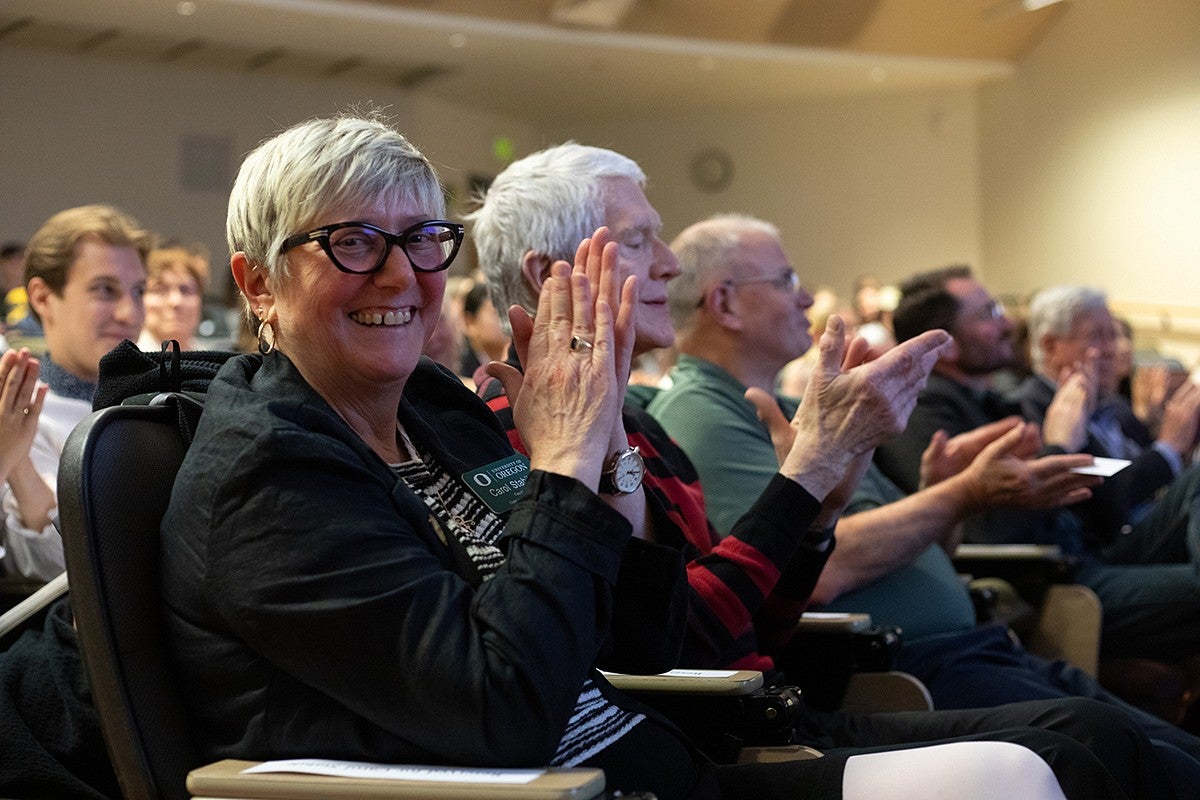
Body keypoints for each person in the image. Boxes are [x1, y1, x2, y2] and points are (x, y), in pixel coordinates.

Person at [156, 113, 1155, 800]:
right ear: (256, 281)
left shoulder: (435, 412)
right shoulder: (268, 472)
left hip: (656, 752)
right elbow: (502, 708)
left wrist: (614, 461)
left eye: (422, 239)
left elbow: (639, 637)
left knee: (1067, 752)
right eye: (352, 242)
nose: (403, 274)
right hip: (572, 783)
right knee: (1028, 770)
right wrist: (563, 464)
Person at [466, 143, 1182, 799]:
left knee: (1098, 737)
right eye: (636, 240)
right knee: (1073, 753)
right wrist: (804, 479)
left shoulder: (643, 428)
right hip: (717, 747)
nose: (668, 264)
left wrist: (817, 517)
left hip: (780, 709)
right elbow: (682, 646)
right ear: (547, 275)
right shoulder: (510, 438)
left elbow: (755, 630)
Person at [640, 214, 1200, 783]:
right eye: (786, 280)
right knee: (1128, 751)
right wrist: (961, 494)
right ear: (726, 304)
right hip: (903, 666)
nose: (806, 297)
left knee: (1176, 755)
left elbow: (895, 540)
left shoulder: (781, 408)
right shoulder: (703, 415)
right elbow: (822, 569)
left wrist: (942, 495)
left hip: (970, 642)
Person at [875, 269, 1200, 669]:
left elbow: (1104, 505)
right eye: (988, 313)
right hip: (1048, 580)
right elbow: (987, 530)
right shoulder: (924, 413)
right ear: (947, 347)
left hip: (1086, 555)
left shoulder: (997, 402)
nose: (1008, 323)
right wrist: (1061, 443)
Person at [1008, 286, 1200, 661]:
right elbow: (1104, 504)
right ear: (1050, 347)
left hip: (1130, 541)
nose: (1113, 348)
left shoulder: (1109, 404)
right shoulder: (1028, 410)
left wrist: (1178, 441)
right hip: (1083, 562)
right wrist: (1169, 449)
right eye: (1098, 336)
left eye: (1114, 333)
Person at [0, 205, 149, 580]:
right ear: (43, 297)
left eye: (138, 291)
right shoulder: (24, 414)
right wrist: (15, 459)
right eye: (104, 290)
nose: (129, 312)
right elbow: (54, 568)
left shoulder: (163, 403)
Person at [138, 238, 210, 351]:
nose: (175, 301)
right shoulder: (126, 362)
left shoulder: (212, 361)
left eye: (185, 290)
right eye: (159, 290)